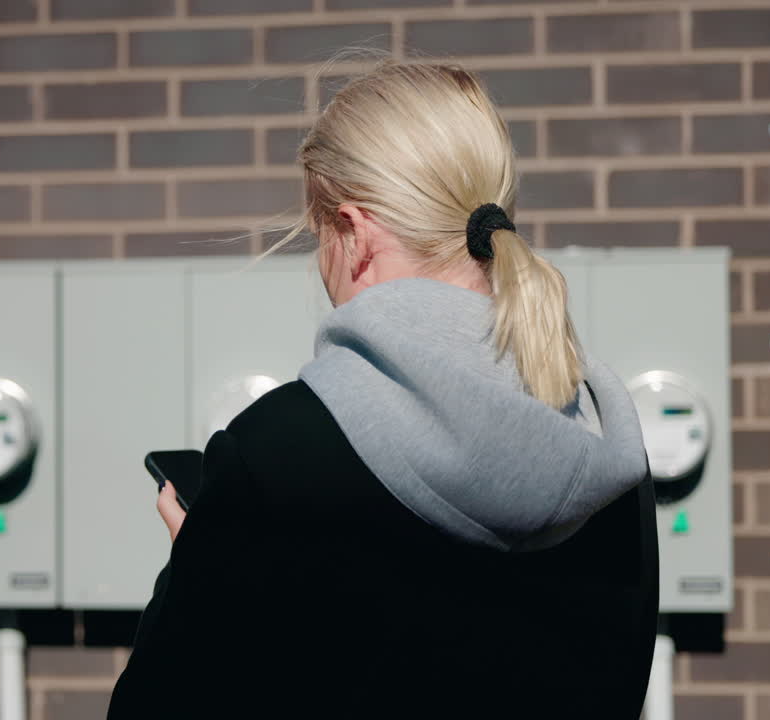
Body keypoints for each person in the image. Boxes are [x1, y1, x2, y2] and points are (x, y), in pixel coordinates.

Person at [107, 60, 657, 719]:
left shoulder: (277, 455)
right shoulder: (608, 453)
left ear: (355, 234)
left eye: (317, 236)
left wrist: (198, 573)